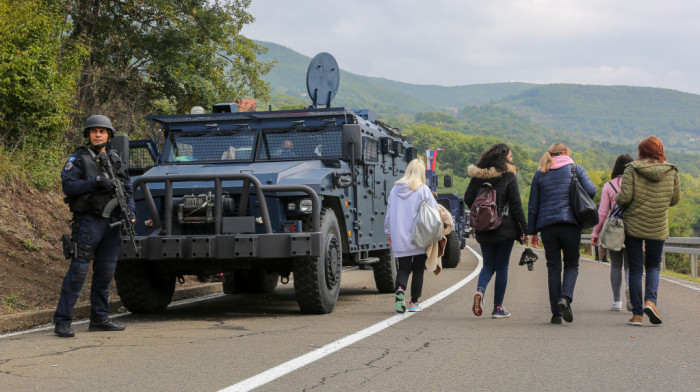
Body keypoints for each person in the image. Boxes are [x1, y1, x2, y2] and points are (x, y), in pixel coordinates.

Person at [54, 115, 135, 337]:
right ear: (88, 135)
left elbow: (127, 188)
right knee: (78, 271)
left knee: (105, 273)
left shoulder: (115, 158)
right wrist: (96, 182)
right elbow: (68, 186)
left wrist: (132, 213)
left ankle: (100, 318)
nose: (97, 134)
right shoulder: (78, 158)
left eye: (102, 131)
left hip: (113, 223)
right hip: (89, 222)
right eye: (93, 131)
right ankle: (62, 321)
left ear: (109, 135)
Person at [526, 143, 596, 324]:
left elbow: (533, 205)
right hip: (570, 225)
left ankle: (556, 314)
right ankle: (565, 297)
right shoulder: (576, 169)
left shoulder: (540, 173)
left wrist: (532, 232)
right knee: (572, 264)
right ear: (564, 153)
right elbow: (592, 190)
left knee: (553, 268)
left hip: (548, 227)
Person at [616, 136, 680, 326]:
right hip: (658, 225)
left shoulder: (632, 169)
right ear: (660, 150)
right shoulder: (672, 170)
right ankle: (651, 302)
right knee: (653, 266)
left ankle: (637, 315)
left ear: (641, 151)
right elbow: (675, 199)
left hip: (634, 225)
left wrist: (618, 199)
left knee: (635, 268)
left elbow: (625, 197)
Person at [464, 143, 528, 318]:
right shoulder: (508, 176)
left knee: (488, 264)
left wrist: (484, 215)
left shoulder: (477, 177)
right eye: (510, 156)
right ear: (503, 158)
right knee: (502, 266)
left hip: (484, 229)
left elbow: (468, 198)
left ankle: (480, 291)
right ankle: (498, 307)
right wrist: (525, 229)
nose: (512, 159)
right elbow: (516, 206)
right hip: (504, 228)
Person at [384, 158, 439, 313]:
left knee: (404, 268)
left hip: (399, 236)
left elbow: (389, 214)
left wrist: (388, 232)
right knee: (418, 269)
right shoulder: (423, 189)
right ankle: (414, 302)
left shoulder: (395, 190)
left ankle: (400, 291)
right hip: (419, 236)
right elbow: (433, 212)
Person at [591, 153, 634, 312]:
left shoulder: (609, 185)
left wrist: (596, 233)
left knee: (616, 265)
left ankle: (617, 302)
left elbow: (602, 213)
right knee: (631, 265)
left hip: (615, 230)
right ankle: (631, 290)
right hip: (633, 229)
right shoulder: (637, 183)